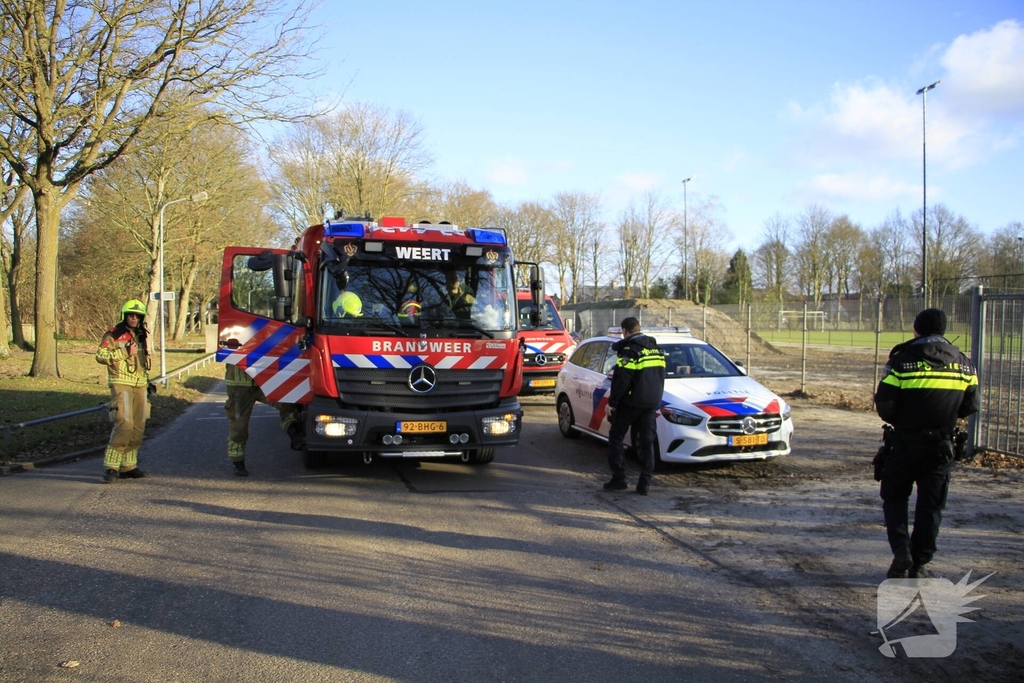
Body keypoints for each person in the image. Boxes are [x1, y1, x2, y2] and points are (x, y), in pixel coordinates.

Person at [874, 307, 979, 579]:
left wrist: (906, 420)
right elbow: (971, 405)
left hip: (905, 444)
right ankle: (919, 563)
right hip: (941, 447)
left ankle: (902, 552)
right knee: (931, 507)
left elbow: (884, 405)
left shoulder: (902, 360)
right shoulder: (964, 364)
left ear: (916, 329)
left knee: (895, 498)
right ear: (943, 330)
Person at [604, 317, 666, 495]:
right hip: (651, 403)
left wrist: (612, 403)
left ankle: (619, 479)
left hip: (631, 403)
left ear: (624, 330)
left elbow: (623, 379)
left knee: (616, 437)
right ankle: (644, 484)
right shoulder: (656, 349)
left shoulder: (629, 350)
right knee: (647, 443)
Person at [95, 299, 153, 483]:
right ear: (125, 316)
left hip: (140, 384)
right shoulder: (113, 334)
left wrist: (148, 382)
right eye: (131, 315)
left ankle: (128, 466)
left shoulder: (141, 334)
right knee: (124, 425)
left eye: (137, 316)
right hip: (121, 383)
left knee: (138, 427)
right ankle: (111, 467)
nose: (134, 318)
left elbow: (141, 361)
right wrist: (124, 352)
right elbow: (100, 355)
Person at [224, 364, 302, 476]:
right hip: (240, 384)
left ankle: (294, 432)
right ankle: (237, 462)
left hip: (266, 379)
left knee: (288, 404)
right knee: (239, 426)